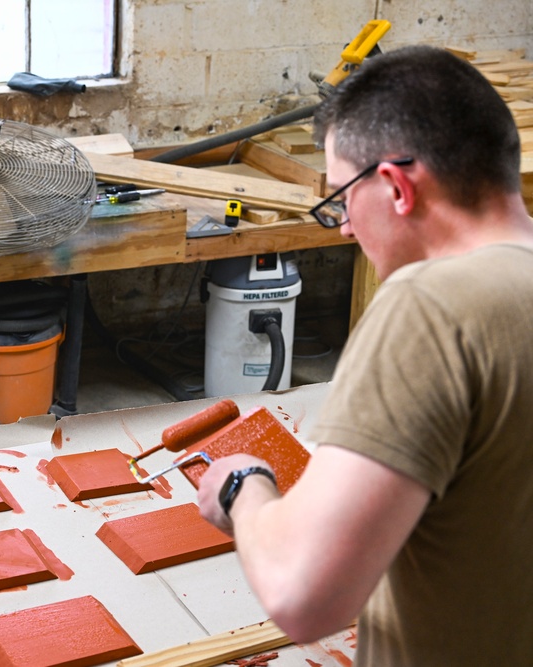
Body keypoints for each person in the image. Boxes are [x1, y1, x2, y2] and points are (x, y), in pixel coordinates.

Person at [195, 45, 533, 665]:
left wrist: (243, 487)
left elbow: (307, 597)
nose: (345, 226)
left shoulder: (431, 306)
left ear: (397, 186)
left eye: (342, 199)